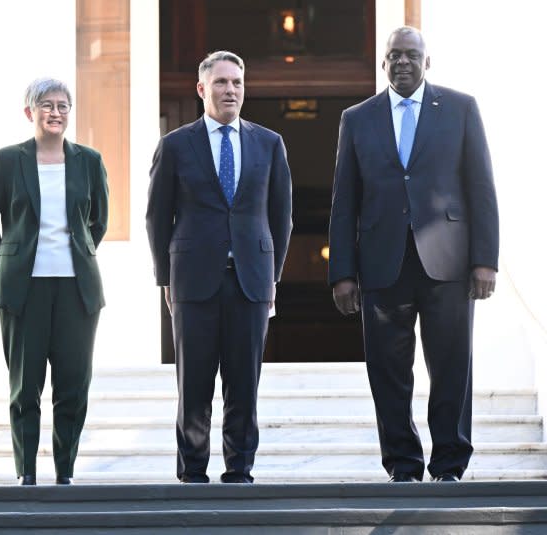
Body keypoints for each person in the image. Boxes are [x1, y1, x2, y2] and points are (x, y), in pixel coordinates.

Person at [328, 26, 498, 483]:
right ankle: (402, 465)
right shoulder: (357, 118)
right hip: (382, 266)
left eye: (412, 55)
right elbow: (344, 200)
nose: (403, 62)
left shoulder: (460, 109)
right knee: (387, 372)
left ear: (427, 62)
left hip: (449, 264)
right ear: (383, 63)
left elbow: (481, 187)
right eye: (394, 55)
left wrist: (486, 260)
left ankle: (449, 463)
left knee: (451, 367)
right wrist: (341, 273)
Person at [146, 51, 293, 484]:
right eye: (221, 83)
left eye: (237, 83)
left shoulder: (269, 143)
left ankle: (240, 468)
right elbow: (158, 216)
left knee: (243, 383)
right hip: (192, 281)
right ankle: (192, 471)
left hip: (251, 280)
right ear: (201, 89)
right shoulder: (175, 145)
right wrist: (163, 278)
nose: (230, 90)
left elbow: (281, 215)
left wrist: (273, 277)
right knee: (193, 383)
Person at [0, 78, 108, 486]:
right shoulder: (7, 160)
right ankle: (26, 471)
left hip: (77, 288)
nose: (56, 112)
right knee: (24, 385)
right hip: (24, 289)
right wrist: (7, 268)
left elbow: (98, 221)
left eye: (63, 106)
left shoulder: (88, 160)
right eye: (47, 105)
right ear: (29, 112)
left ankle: (64, 471)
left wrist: (78, 254)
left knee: (73, 384)